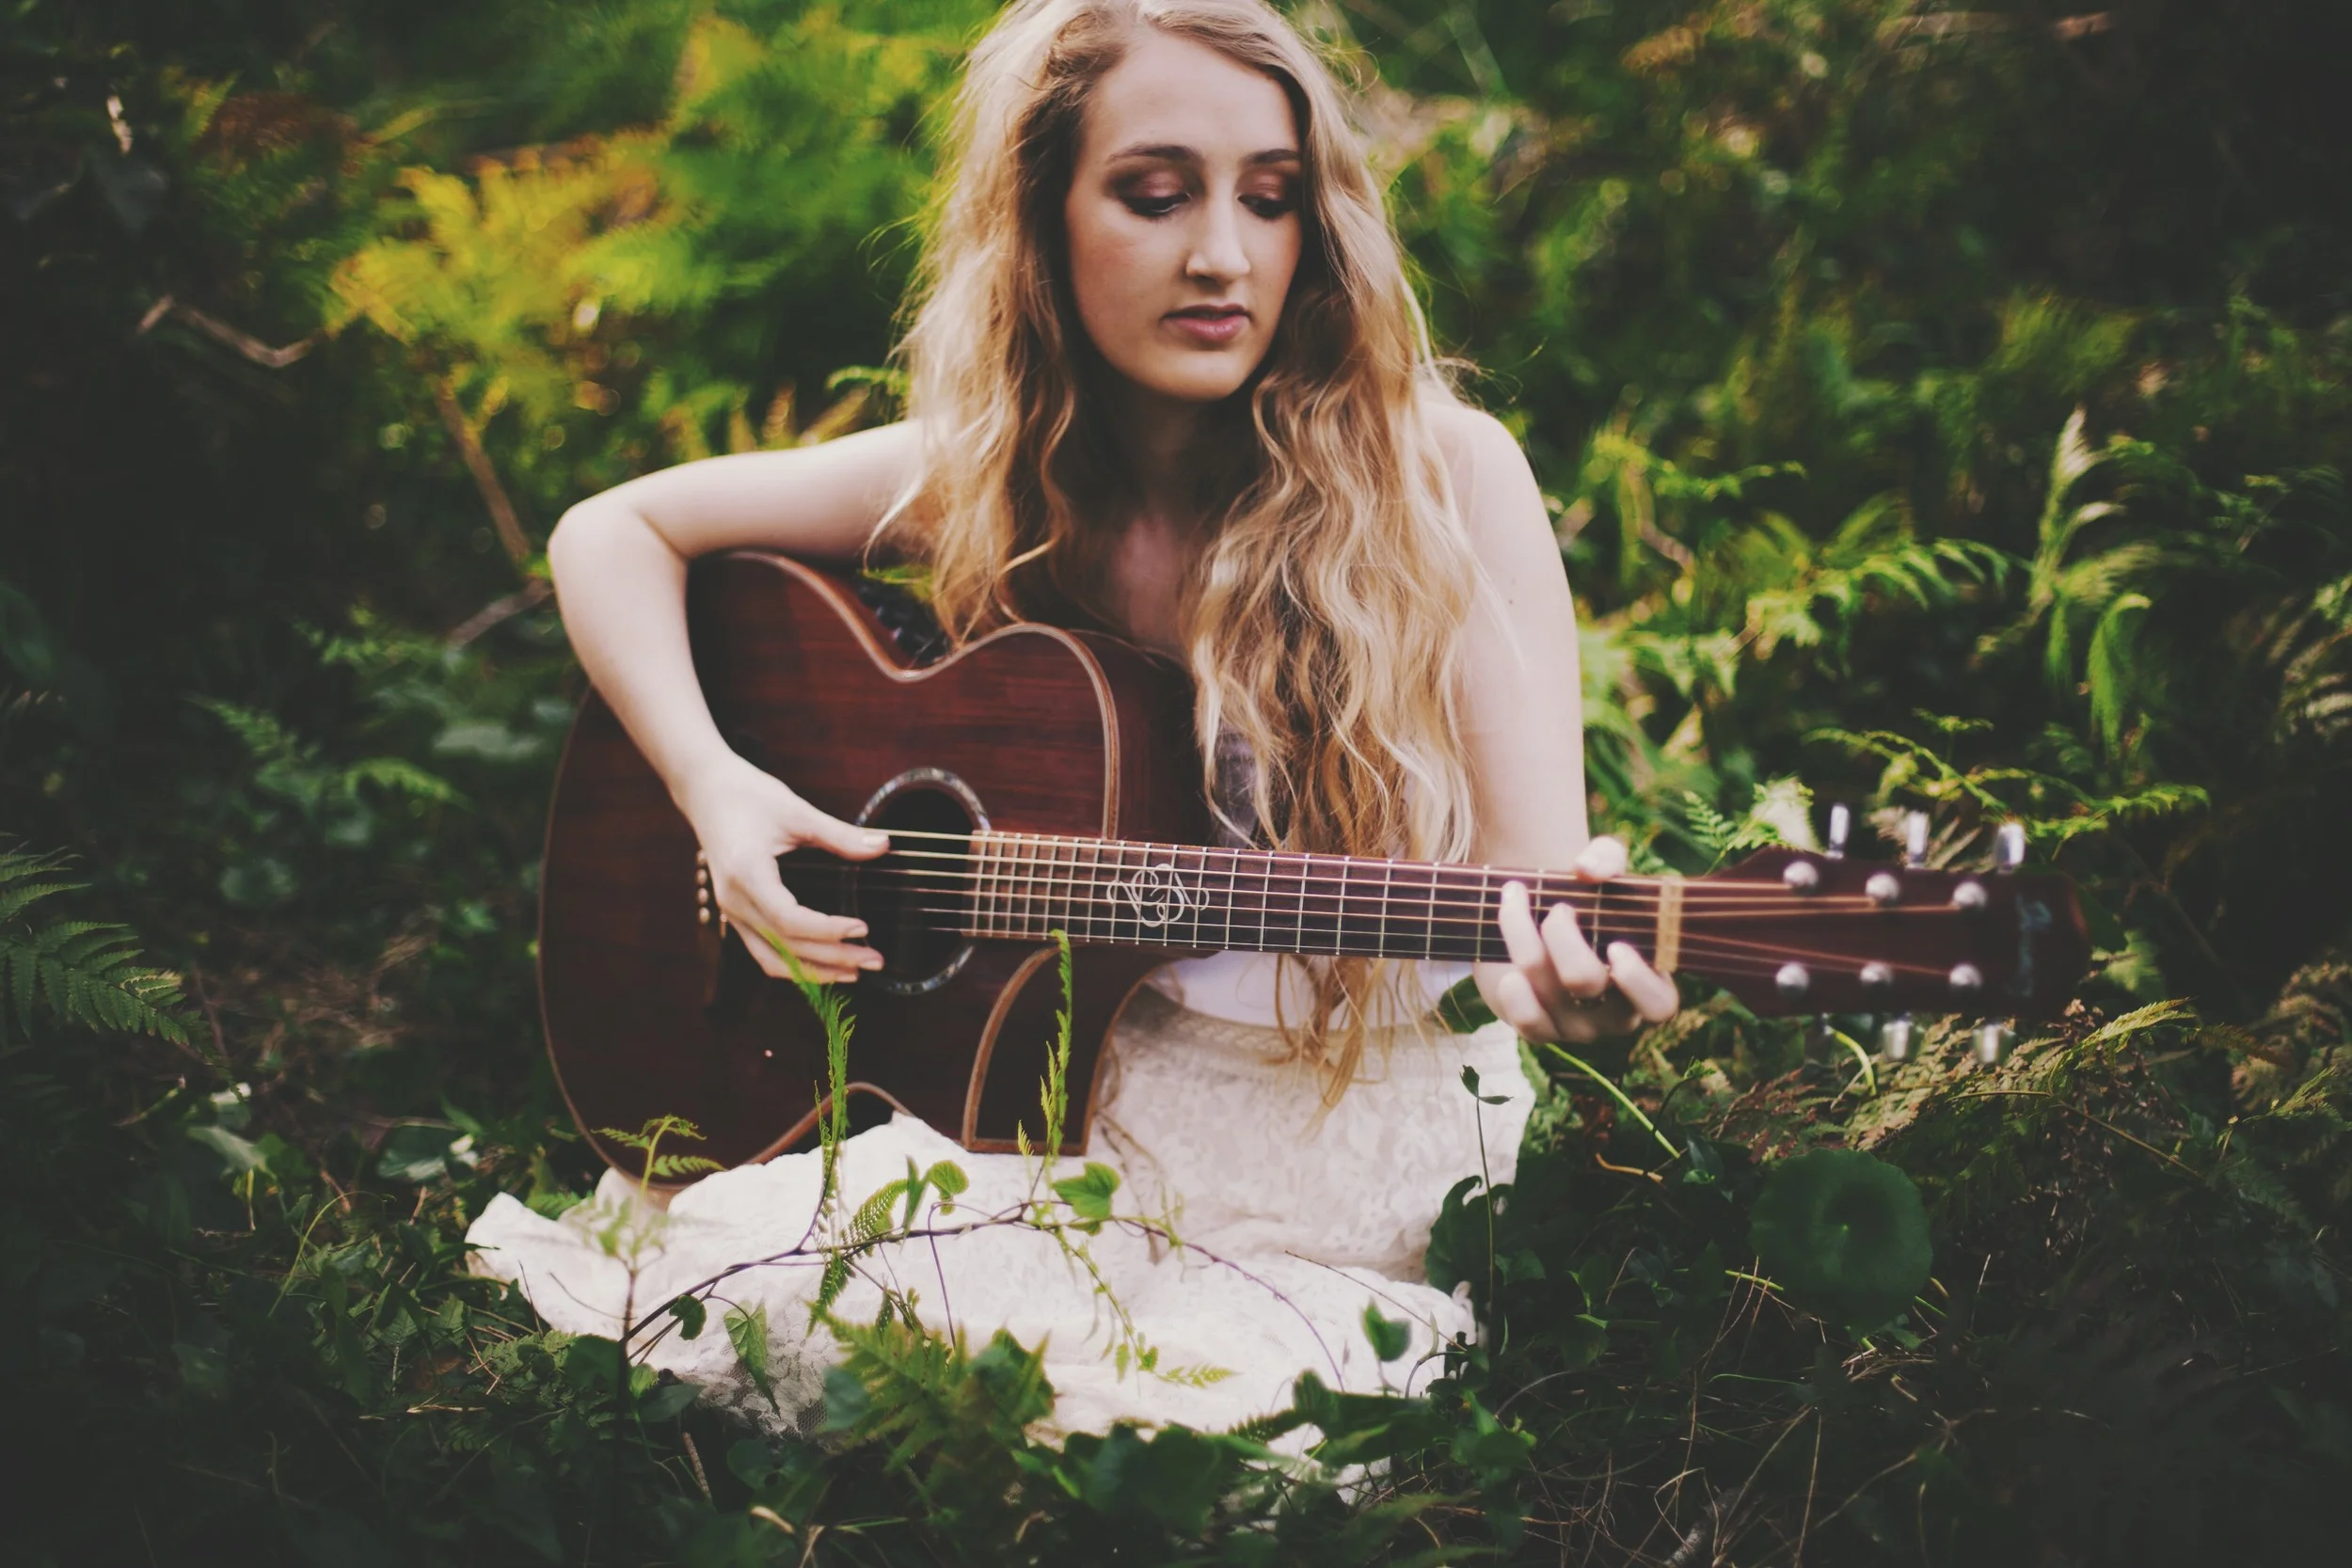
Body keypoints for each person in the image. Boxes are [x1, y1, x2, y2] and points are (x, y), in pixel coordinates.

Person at [467, 0, 1677, 1442]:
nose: (1222, 252)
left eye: (1271, 198)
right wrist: (717, 789)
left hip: (1347, 1133)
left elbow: (1541, 900)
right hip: (1086, 1112)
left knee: (1137, 1407)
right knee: (782, 1294)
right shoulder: (1007, 481)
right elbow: (614, 532)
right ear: (1043, 219)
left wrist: (1575, 990)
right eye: (1156, 194)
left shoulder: (1443, 480)